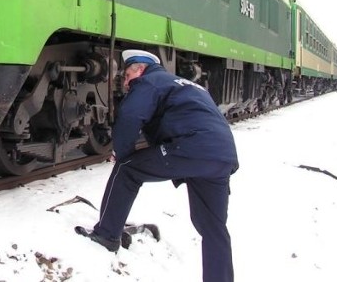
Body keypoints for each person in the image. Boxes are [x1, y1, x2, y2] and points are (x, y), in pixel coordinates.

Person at [87, 49, 239, 282]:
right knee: (213, 228)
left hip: (192, 148)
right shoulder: (188, 85)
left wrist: (122, 153)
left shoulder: (149, 81)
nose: (126, 83)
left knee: (127, 169)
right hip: (222, 157)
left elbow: (130, 116)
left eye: (127, 75)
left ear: (140, 69)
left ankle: (106, 235)